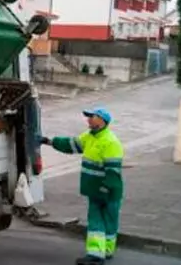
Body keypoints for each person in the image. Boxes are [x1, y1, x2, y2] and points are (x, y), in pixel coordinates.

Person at [40, 107, 124, 265]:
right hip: (96, 191)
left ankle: (103, 252)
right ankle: (98, 254)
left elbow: (113, 171)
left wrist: (105, 189)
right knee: (98, 221)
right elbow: (71, 145)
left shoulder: (110, 142)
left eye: (92, 116)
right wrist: (48, 141)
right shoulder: (89, 137)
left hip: (107, 191)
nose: (88, 119)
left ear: (102, 120)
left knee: (108, 221)